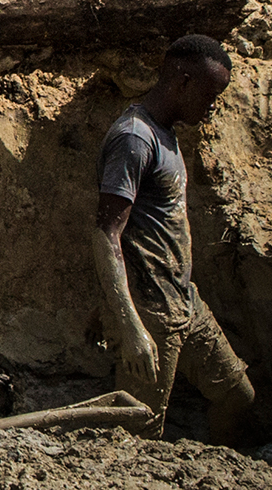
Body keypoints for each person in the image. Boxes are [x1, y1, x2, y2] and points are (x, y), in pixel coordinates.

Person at [94, 35, 257, 441]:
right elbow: (104, 233)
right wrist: (131, 327)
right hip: (151, 310)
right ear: (183, 82)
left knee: (239, 395)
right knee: (139, 431)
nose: (213, 104)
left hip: (185, 301)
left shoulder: (165, 134)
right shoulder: (135, 137)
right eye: (210, 93)